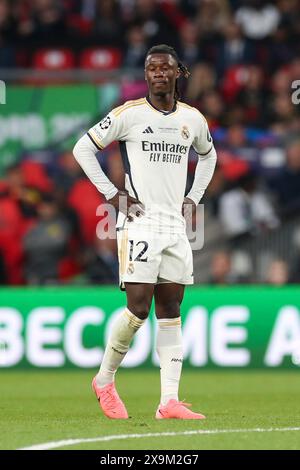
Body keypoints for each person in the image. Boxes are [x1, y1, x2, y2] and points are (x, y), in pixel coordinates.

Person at [73, 44, 217, 420]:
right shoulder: (129, 114)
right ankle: (104, 380)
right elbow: (82, 149)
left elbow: (209, 155)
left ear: (176, 73)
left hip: (174, 225)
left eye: (164, 68)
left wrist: (193, 197)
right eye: (151, 68)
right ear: (145, 75)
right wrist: (111, 193)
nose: (157, 73)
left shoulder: (192, 119)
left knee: (171, 310)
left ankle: (168, 401)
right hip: (140, 223)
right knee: (138, 309)